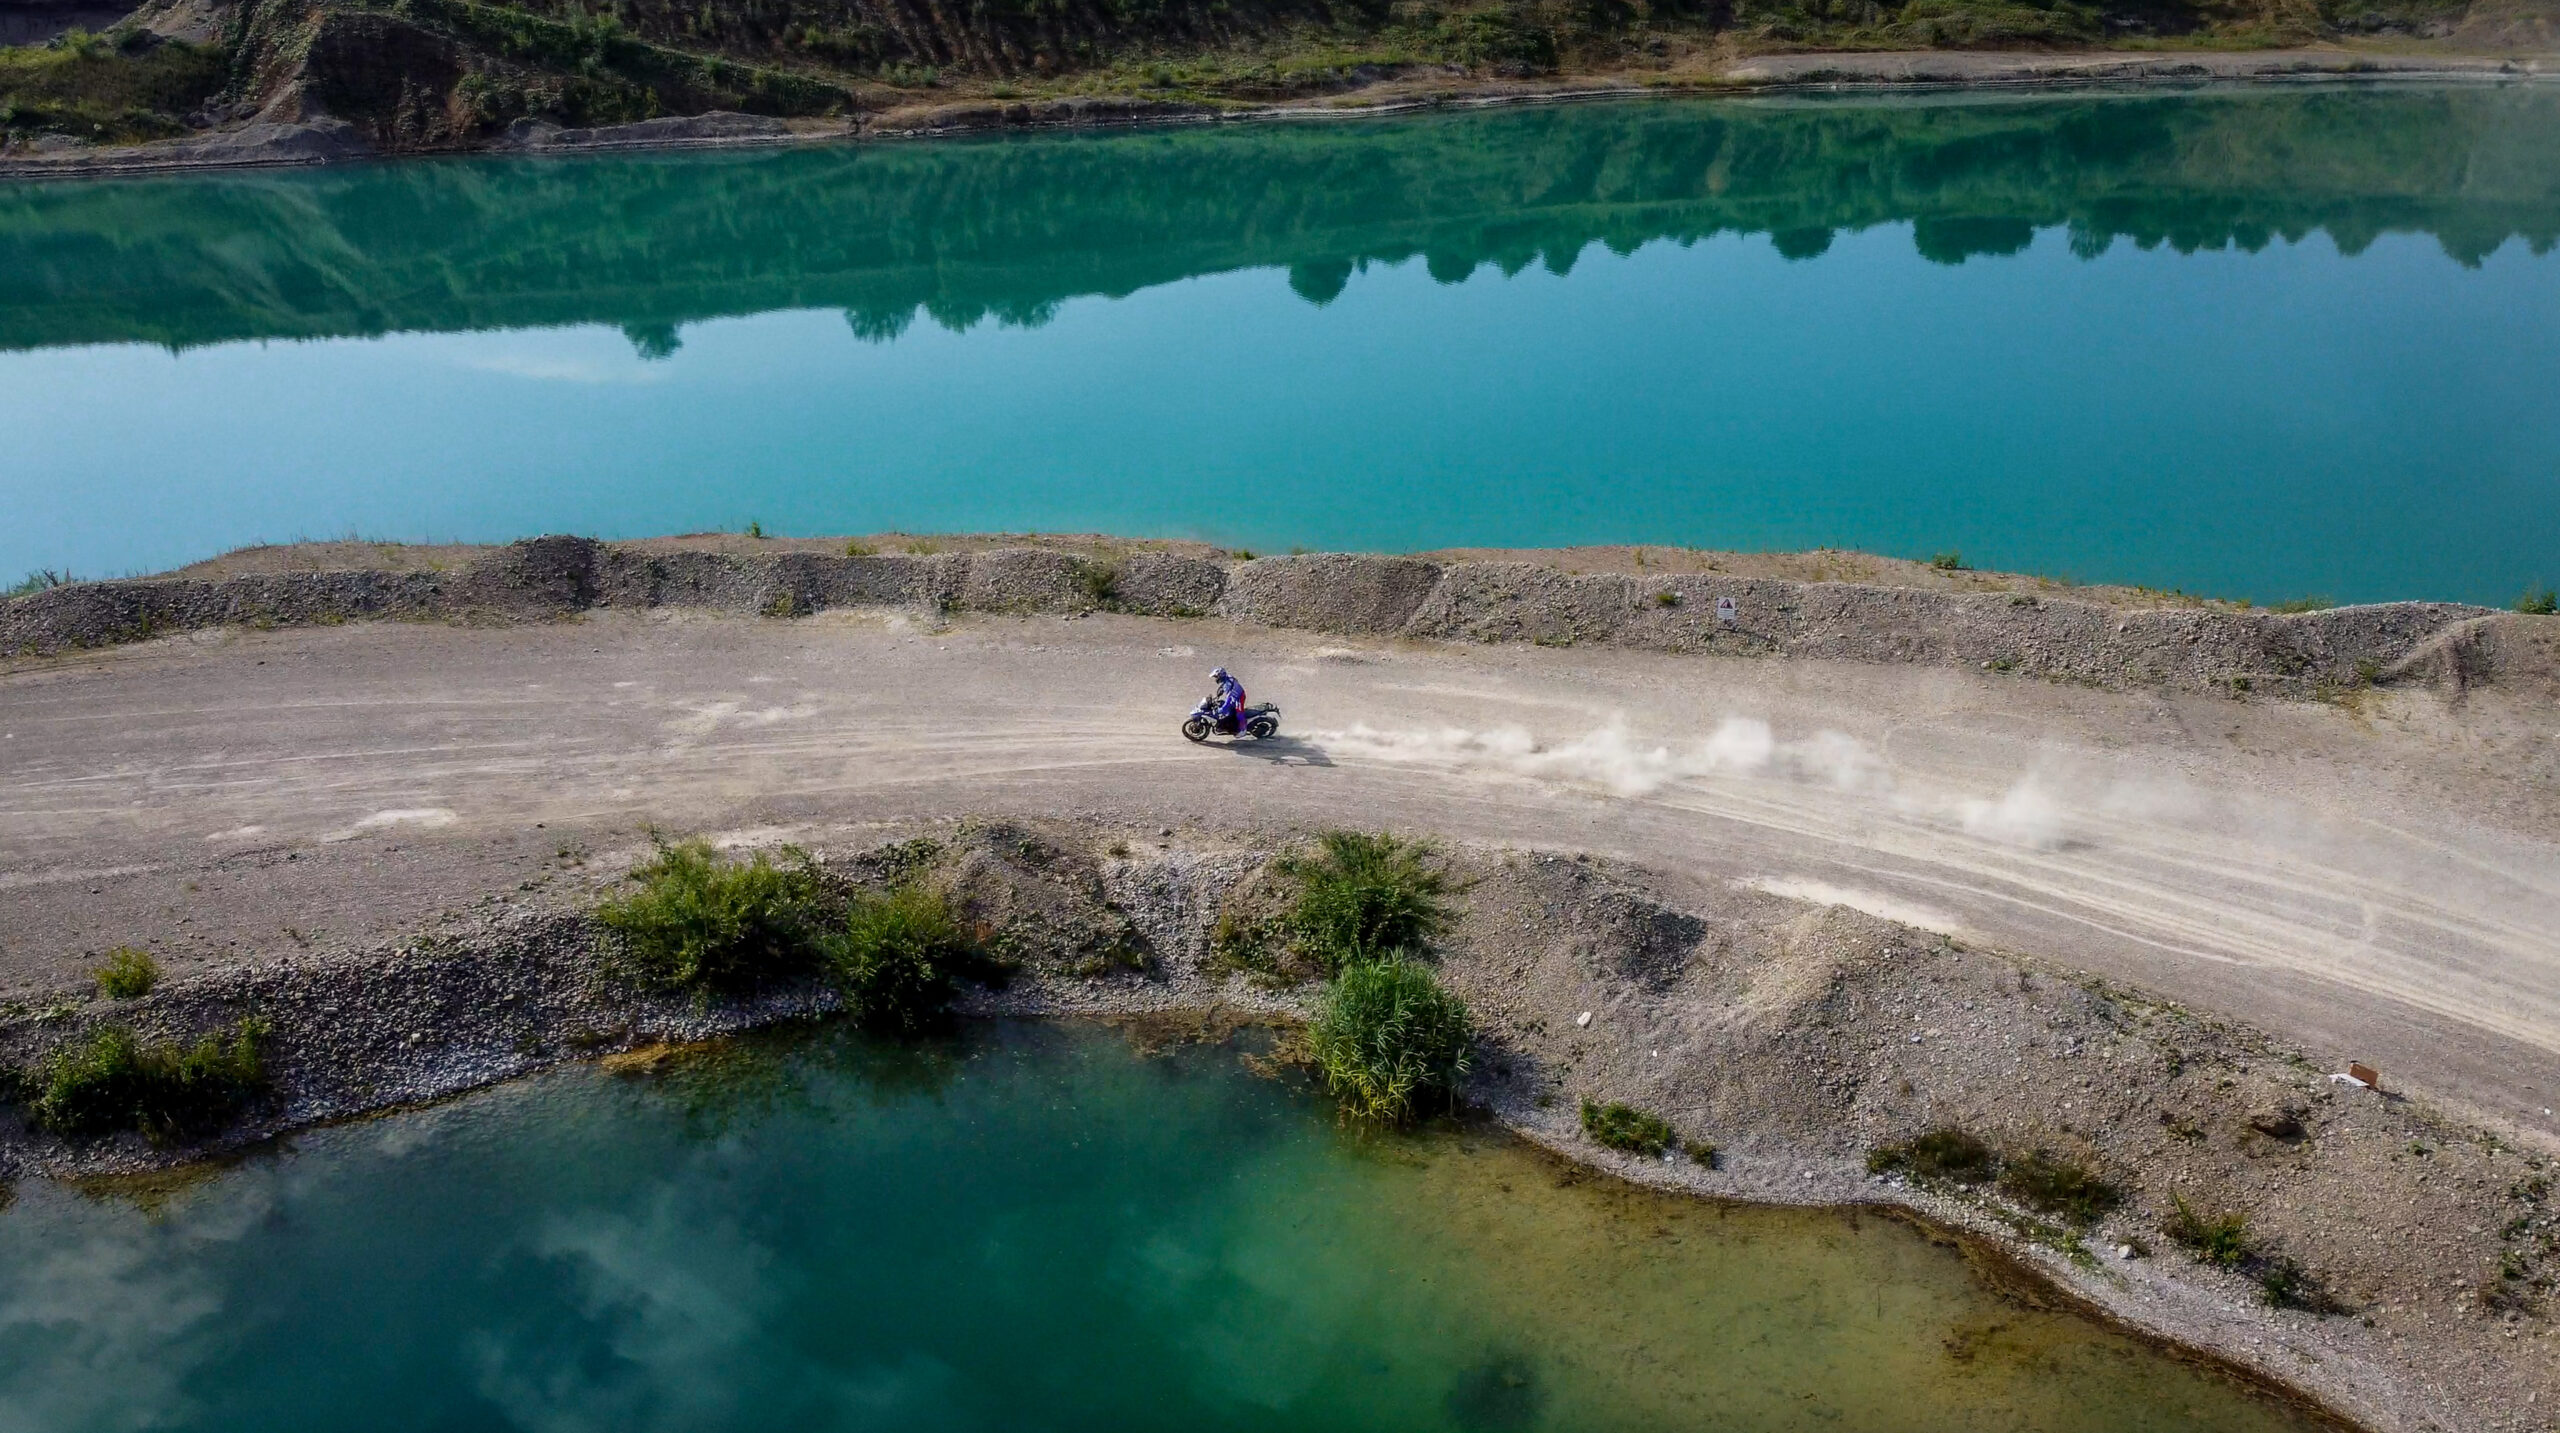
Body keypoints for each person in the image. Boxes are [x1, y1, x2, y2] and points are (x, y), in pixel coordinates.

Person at [1208, 667, 1247, 733]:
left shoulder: (1228, 684)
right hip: (1235, 695)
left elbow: (1229, 698)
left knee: (1239, 712)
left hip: (1239, 697)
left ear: (1220, 676)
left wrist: (1223, 708)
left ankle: (1243, 729)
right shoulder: (1228, 678)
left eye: (1216, 677)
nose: (1216, 678)